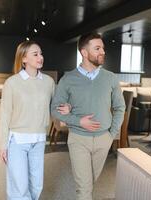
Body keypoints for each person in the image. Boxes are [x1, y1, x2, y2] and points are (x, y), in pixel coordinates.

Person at [51, 32, 125, 200]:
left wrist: (111, 134)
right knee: (84, 188)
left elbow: (120, 107)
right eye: (97, 48)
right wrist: (78, 121)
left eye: (103, 48)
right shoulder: (68, 79)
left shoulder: (110, 78)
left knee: (90, 184)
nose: (103, 52)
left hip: (103, 139)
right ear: (84, 52)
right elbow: (55, 109)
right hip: (78, 139)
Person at [0, 40, 70, 200]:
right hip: (17, 141)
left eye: (41, 53)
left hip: (39, 140)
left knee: (36, 184)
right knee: (19, 185)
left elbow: (56, 106)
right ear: (24, 59)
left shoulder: (48, 82)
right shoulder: (12, 83)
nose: (40, 57)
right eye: (35, 54)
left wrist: (67, 108)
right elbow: (5, 114)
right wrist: (3, 145)